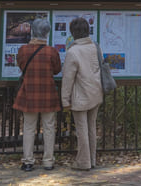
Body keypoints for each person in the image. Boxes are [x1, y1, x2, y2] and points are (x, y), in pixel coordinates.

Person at [13, 17, 62, 172]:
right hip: (48, 94)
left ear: (33, 31)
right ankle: (48, 161)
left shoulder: (23, 50)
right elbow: (57, 70)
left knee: (28, 128)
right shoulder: (51, 52)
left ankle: (28, 161)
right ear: (47, 33)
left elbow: (21, 66)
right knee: (49, 127)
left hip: (29, 93)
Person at [60, 16, 104, 170]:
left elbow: (68, 79)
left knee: (82, 130)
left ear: (73, 33)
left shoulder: (73, 52)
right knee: (91, 128)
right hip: (96, 93)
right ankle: (92, 160)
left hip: (80, 96)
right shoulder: (95, 47)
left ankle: (83, 162)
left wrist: (65, 100)